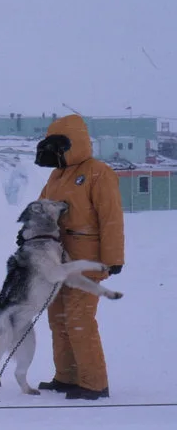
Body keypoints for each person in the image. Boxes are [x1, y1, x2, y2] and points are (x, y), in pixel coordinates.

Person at [32, 114, 124, 400]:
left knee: (78, 319)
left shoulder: (98, 172)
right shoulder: (56, 176)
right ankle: (67, 377)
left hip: (88, 261)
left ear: (72, 144)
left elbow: (110, 217)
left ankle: (93, 382)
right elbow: (42, 210)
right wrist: (32, 235)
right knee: (57, 318)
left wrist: (112, 258)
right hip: (58, 261)